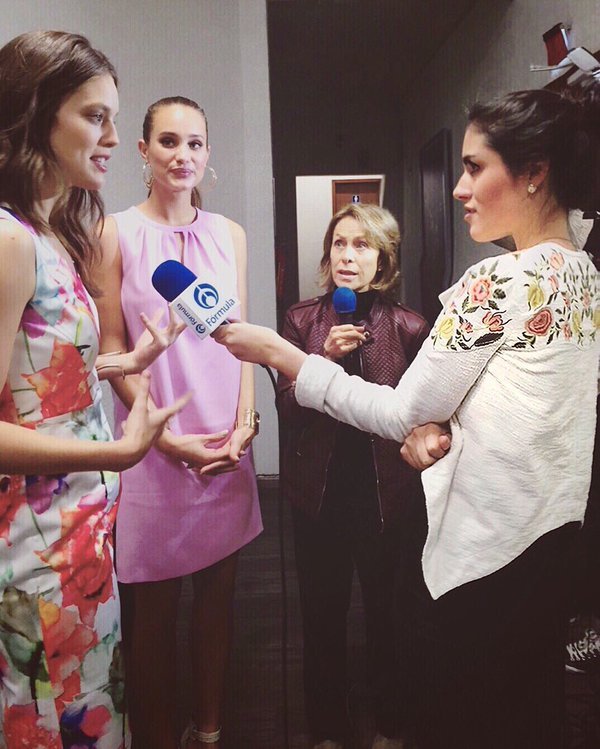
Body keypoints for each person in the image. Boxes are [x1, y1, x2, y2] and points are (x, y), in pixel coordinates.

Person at [215, 78, 600, 749]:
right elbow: (521, 400)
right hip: (551, 543)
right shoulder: (584, 275)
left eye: (475, 167)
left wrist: (285, 357)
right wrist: (445, 426)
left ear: (534, 173)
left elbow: (398, 412)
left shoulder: (498, 280)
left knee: (460, 716)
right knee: (528, 713)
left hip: (483, 555)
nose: (458, 188)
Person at [0, 31, 188, 748]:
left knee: (92, 717)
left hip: (80, 539)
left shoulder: (49, 232)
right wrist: (118, 453)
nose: (113, 138)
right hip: (34, 554)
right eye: (93, 116)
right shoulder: (10, 240)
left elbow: (33, 381)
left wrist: (126, 360)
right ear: (35, 114)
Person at [95, 96, 262, 749]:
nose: (182, 155)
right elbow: (112, 350)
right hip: (152, 445)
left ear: (207, 152)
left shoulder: (230, 234)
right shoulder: (113, 233)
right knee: (153, 614)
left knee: (219, 600)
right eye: (168, 141)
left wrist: (246, 420)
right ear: (143, 150)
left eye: (195, 143)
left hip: (225, 440)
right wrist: (163, 438)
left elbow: (242, 337)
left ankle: (210, 730)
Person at [277, 203, 428, 749]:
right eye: (339, 243)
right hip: (317, 495)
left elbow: (418, 415)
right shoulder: (301, 321)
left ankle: (391, 723)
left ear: (382, 259)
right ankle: (328, 730)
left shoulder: (410, 327)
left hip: (388, 496)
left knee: (389, 615)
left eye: (362, 245)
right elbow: (288, 412)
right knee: (322, 615)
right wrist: (321, 358)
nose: (347, 255)